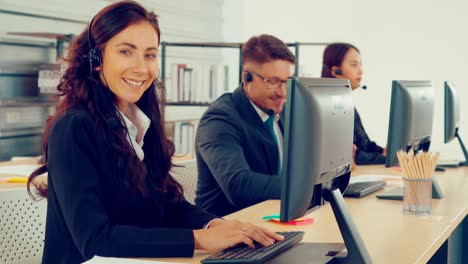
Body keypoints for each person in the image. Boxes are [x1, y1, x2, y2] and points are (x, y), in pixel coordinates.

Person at [27, 2, 283, 263]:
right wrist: (199, 239)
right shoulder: (73, 127)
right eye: (126, 51)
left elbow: (168, 204)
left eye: (149, 55)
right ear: (96, 59)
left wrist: (216, 225)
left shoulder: (138, 124)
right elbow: (95, 239)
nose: (141, 68)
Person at [195, 34, 295, 216]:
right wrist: (305, 185)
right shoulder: (219, 119)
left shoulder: (282, 111)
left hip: (271, 218)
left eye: (287, 82)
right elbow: (239, 185)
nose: (283, 93)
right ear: (247, 76)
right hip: (227, 227)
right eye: (273, 81)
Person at [321, 42, 386, 165]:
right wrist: (387, 160)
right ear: (336, 71)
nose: (360, 71)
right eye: (354, 65)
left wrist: (384, 151)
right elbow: (352, 156)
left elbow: (364, 144)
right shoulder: (328, 107)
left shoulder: (346, 103)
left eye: (360, 65)